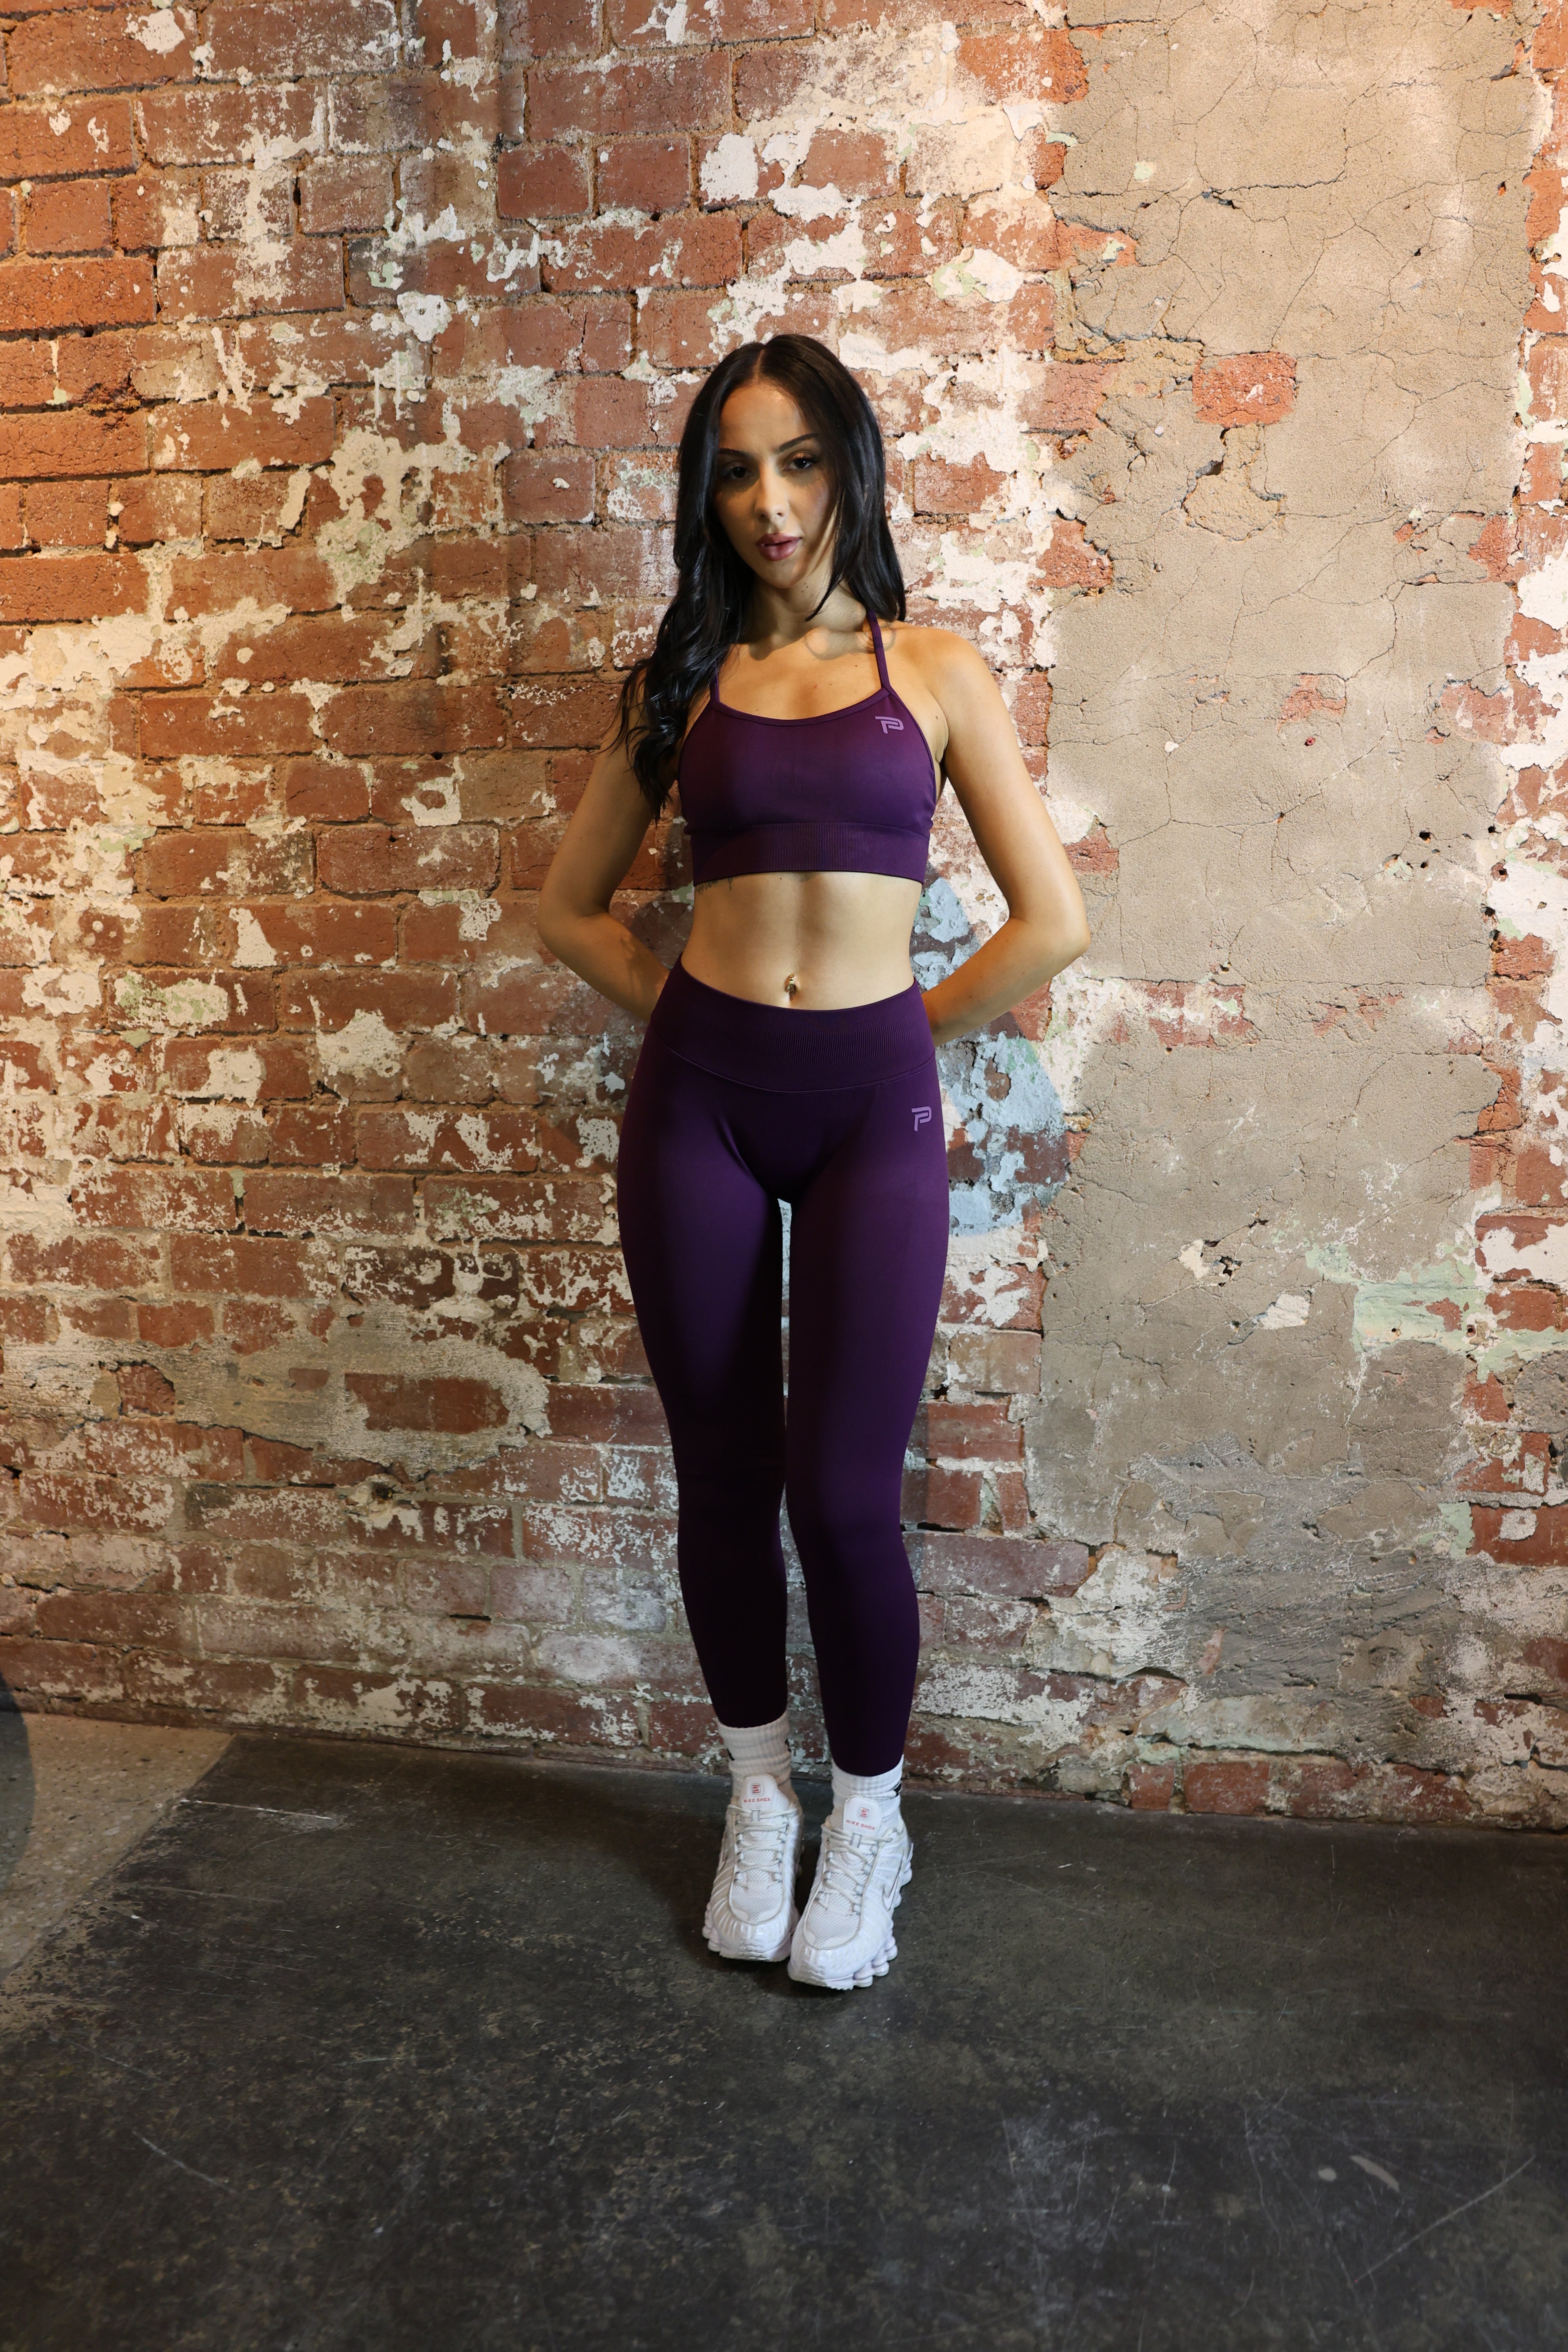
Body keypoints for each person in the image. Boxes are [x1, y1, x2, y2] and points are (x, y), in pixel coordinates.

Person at [538, 334, 1090, 1992]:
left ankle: (868, 1820)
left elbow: (1053, 922)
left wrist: (892, 1034)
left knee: (846, 1497)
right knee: (724, 1477)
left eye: (796, 462)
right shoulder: (682, 681)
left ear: (848, 465)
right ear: (706, 495)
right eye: (733, 469)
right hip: (701, 1102)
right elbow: (565, 907)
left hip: (870, 1107)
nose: (769, 503)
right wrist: (698, 1019)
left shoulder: (935, 672)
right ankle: (760, 1798)